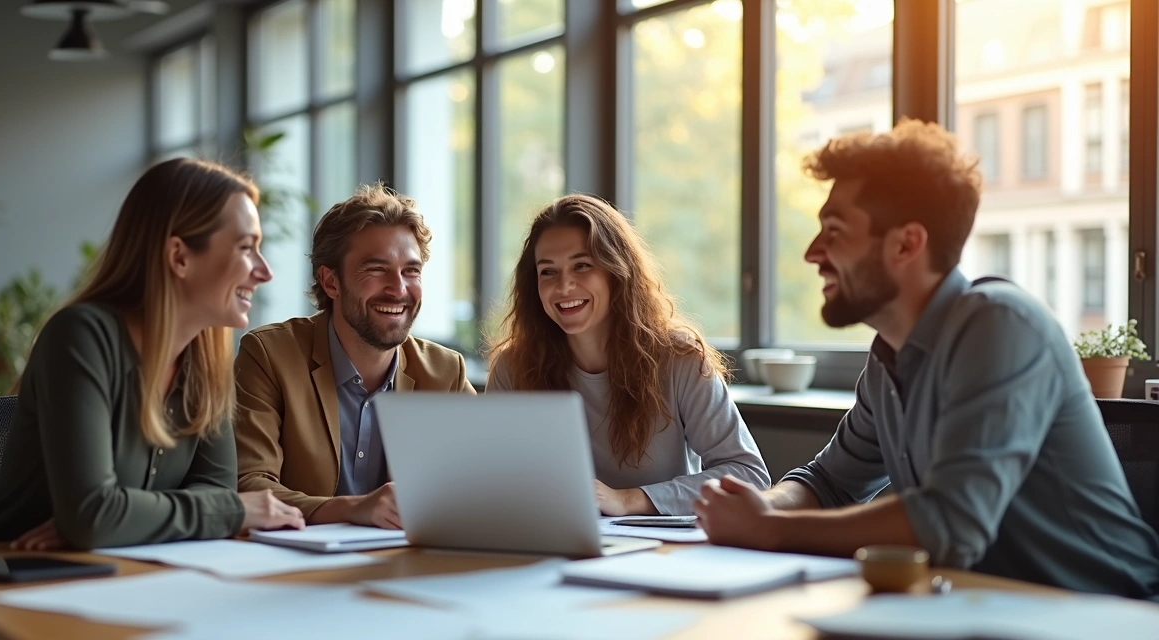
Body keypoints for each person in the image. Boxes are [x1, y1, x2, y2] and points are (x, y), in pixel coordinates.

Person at [693, 119, 1159, 599]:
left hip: (1107, 612)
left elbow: (949, 524)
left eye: (834, 231)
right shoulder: (890, 354)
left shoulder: (1000, 326)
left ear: (906, 244)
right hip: (988, 606)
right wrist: (763, 509)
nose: (814, 253)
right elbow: (829, 481)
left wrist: (769, 532)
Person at [0, 158, 305, 550]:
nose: (264, 272)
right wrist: (230, 511)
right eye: (246, 248)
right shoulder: (80, 337)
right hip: (11, 578)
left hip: (127, 573)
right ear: (179, 256)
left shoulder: (205, 360)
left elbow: (214, 489)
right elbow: (96, 517)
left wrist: (121, 518)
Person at [486, 194, 770, 517]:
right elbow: (489, 478)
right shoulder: (513, 367)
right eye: (548, 272)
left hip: (664, 554)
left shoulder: (682, 359)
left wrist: (628, 500)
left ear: (616, 271)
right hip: (550, 545)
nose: (564, 286)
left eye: (582, 265)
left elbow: (750, 476)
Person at [235, 183, 475, 530]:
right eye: (377, 270)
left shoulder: (445, 372)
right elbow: (250, 484)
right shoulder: (269, 355)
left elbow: (487, 481)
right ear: (330, 282)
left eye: (411, 271)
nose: (399, 288)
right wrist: (352, 509)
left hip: (405, 564)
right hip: (297, 568)